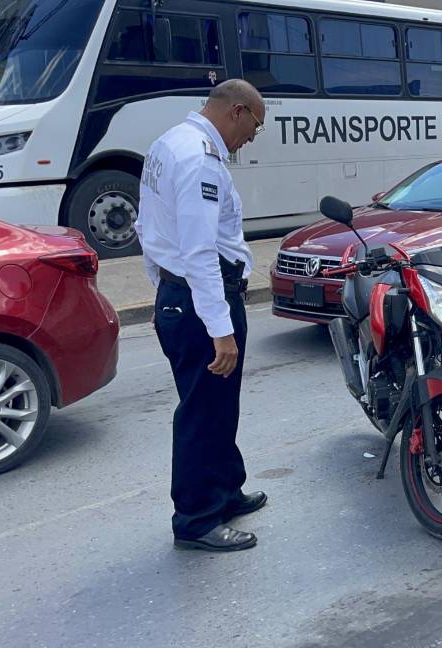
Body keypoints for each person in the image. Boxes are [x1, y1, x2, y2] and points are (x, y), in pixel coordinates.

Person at [135, 80, 268, 552]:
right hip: (201, 300)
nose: (251, 139)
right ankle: (196, 520)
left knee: (218, 404)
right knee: (202, 412)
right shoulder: (200, 160)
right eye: (254, 127)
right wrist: (220, 329)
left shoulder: (168, 143)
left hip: (181, 295)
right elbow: (199, 250)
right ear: (237, 111)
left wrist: (162, 293)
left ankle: (226, 491)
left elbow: (147, 224)